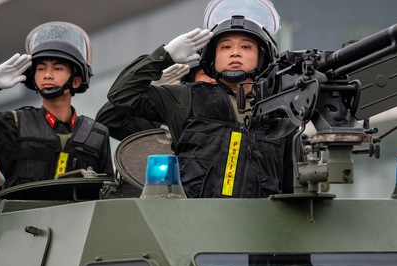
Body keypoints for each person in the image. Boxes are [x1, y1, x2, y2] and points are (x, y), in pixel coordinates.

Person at [103, 15, 295, 198]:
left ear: (262, 58)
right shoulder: (187, 97)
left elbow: (292, 187)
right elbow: (121, 94)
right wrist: (164, 56)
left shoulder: (280, 114)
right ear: (213, 57)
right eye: (225, 47)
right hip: (194, 224)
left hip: (258, 227)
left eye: (246, 47)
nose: (235, 52)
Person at [0, 22, 113, 188]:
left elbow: (109, 193)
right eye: (41, 69)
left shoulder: (96, 135)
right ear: (34, 78)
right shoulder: (13, 125)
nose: (47, 75)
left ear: (75, 81)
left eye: (57, 68)